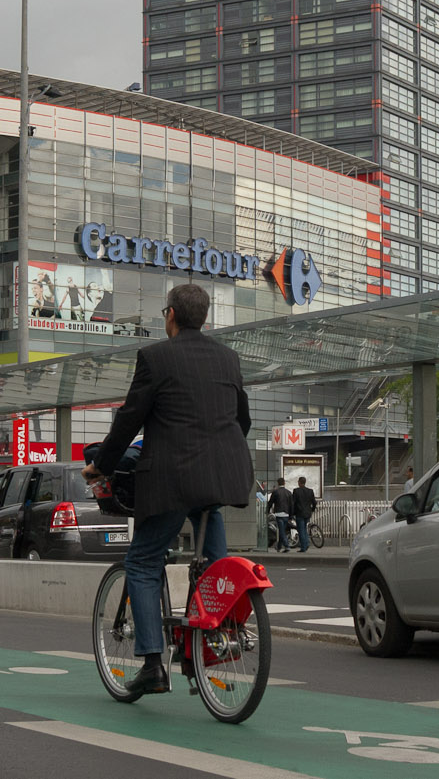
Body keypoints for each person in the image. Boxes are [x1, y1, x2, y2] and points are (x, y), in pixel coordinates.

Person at [82, 283, 253, 696]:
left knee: (141, 564)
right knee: (216, 566)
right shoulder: (228, 359)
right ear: (205, 317)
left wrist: (100, 465)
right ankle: (215, 644)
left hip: (172, 479)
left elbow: (129, 419)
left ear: (170, 315)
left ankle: (154, 663)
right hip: (223, 476)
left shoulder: (155, 358)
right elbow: (241, 420)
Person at [265, 477, 294, 552]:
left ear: (278, 483)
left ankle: (287, 546)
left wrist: (267, 511)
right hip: (286, 514)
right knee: (282, 530)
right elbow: (291, 505)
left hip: (278, 514)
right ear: (284, 483)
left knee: (281, 531)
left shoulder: (276, 492)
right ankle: (279, 546)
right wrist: (291, 516)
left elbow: (270, 502)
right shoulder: (289, 492)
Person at [290, 476, 317, 552]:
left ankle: (303, 547)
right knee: (304, 529)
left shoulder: (296, 491)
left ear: (299, 482)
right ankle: (306, 543)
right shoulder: (310, 491)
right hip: (307, 513)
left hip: (299, 513)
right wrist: (312, 509)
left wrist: (292, 513)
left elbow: (293, 503)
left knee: (301, 530)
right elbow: (314, 502)